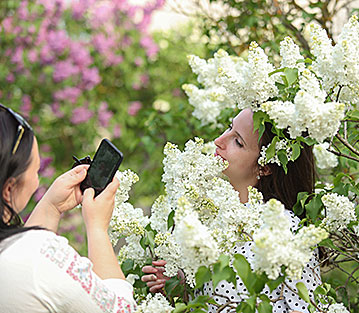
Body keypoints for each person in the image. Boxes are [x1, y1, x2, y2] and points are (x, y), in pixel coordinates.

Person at [142, 108, 321, 313]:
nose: (219, 140)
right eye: (229, 127)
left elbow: (305, 308)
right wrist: (179, 286)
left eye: (238, 141)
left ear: (265, 167)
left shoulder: (285, 229)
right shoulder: (210, 215)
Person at [0, 104, 136, 313]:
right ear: (9, 188)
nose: (37, 180)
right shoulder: (39, 255)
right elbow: (122, 310)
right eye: (35, 171)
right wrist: (97, 228)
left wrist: (51, 207)